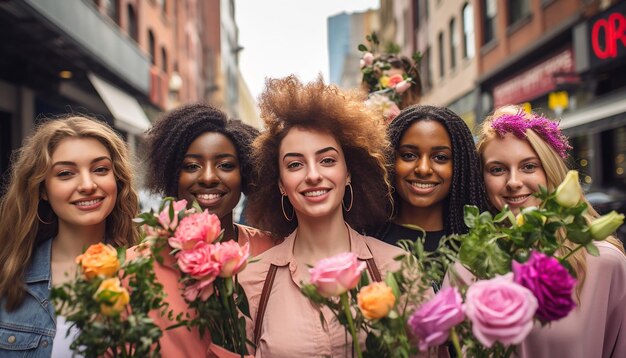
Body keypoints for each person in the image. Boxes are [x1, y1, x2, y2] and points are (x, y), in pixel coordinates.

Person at [240, 75, 409, 357]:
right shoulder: (251, 280)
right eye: (295, 164)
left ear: (349, 172)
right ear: (280, 183)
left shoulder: (399, 268)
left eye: (327, 160)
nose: (314, 175)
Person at [475, 105, 626, 357]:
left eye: (529, 166)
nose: (513, 182)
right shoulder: (472, 261)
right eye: (497, 169)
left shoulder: (604, 262)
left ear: (551, 172)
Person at [131, 103, 277, 356]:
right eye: (191, 166)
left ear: (245, 174)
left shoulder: (275, 254)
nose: (208, 177)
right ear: (171, 175)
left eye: (226, 165)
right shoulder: (136, 268)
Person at [0, 116, 139, 357]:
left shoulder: (147, 272)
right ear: (42, 189)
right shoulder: (9, 274)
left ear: (117, 180)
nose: (87, 184)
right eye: (65, 173)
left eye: (100, 169)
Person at [375, 105, 489, 253]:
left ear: (460, 166)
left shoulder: (484, 249)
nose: (423, 169)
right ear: (390, 159)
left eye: (440, 157)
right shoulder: (363, 241)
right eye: (409, 155)